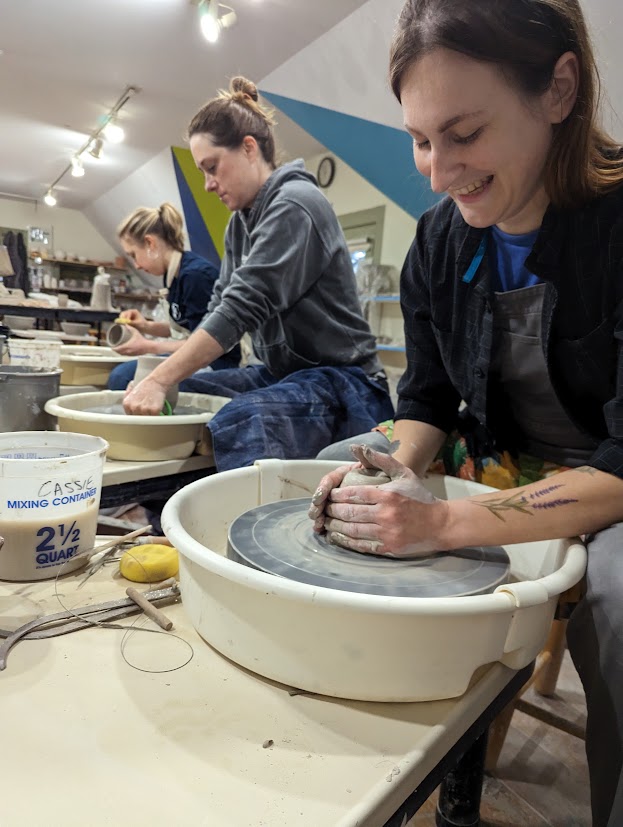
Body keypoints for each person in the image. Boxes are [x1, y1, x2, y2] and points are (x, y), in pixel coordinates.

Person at [308, 1, 623, 824]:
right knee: (334, 468)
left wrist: (442, 527)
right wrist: (377, 469)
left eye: (464, 133)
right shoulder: (440, 246)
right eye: (419, 139)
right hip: (501, 458)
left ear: (558, 89)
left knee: (620, 605)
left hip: (609, 481)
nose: (437, 170)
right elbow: (423, 406)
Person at [122, 77, 394, 471]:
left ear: (249, 148)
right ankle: (165, 515)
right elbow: (218, 306)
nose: (208, 184)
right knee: (164, 391)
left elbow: (240, 308)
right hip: (282, 375)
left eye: (212, 168)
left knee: (241, 418)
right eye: (201, 172)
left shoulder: (297, 204)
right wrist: (157, 378)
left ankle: (238, 528)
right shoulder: (238, 225)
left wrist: (160, 377)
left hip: (347, 381)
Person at [108, 202, 240, 390]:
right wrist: (145, 326)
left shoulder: (196, 276)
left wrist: (147, 346)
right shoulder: (173, 274)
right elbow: (183, 328)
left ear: (150, 243)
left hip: (218, 362)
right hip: (195, 353)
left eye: (133, 255)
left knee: (123, 378)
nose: (136, 265)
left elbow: (203, 343)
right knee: (124, 374)